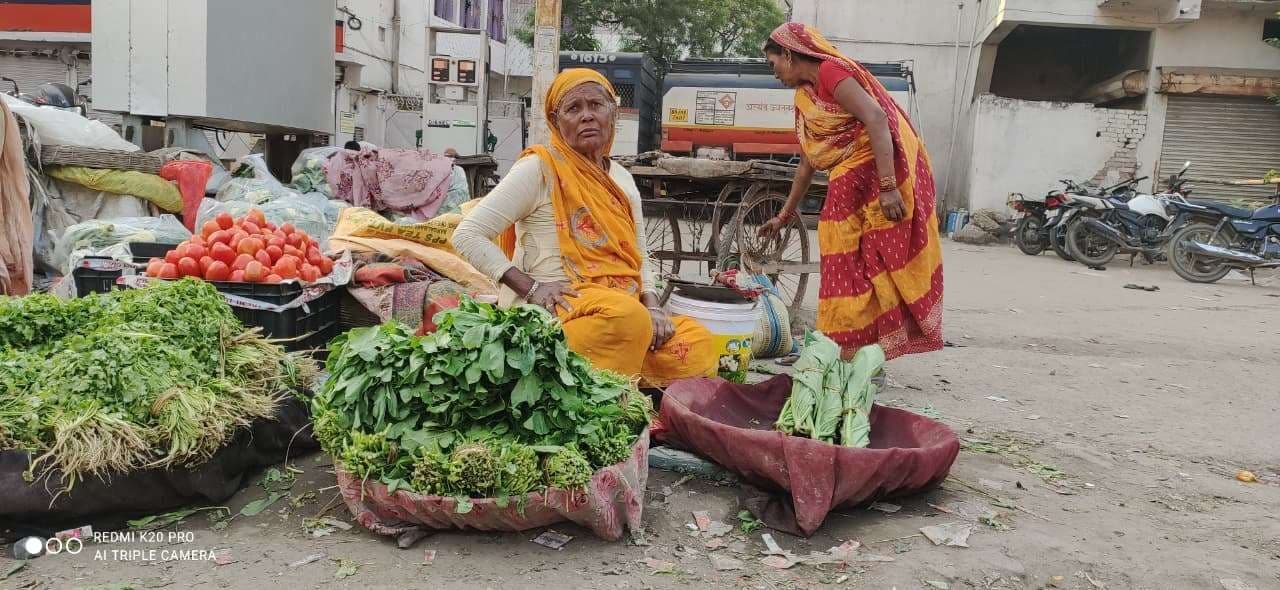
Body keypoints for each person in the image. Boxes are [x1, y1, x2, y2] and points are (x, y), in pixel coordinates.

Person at [452, 69, 717, 386]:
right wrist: (532, 288)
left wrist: (654, 308)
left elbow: (640, 256)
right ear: (556, 120)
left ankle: (605, 368)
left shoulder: (621, 178)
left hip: (619, 310)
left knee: (699, 341)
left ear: (612, 112)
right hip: (558, 310)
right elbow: (467, 234)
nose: (587, 116)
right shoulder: (539, 168)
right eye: (573, 108)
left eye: (596, 105)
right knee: (625, 320)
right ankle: (588, 370)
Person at [759, 23, 943, 360]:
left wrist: (888, 188)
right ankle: (843, 347)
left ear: (788, 53)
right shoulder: (805, 96)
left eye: (773, 65)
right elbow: (808, 163)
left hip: (871, 185)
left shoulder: (830, 71)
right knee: (845, 268)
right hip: (846, 186)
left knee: (872, 269)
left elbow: (875, 119)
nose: (774, 75)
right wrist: (784, 215)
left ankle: (851, 352)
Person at [439, 148, 472, 215]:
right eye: (447, 156)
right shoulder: (442, 170)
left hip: (458, 199)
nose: (450, 159)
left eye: (451, 156)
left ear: (454, 158)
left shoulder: (459, 170)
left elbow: (463, 187)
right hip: (448, 200)